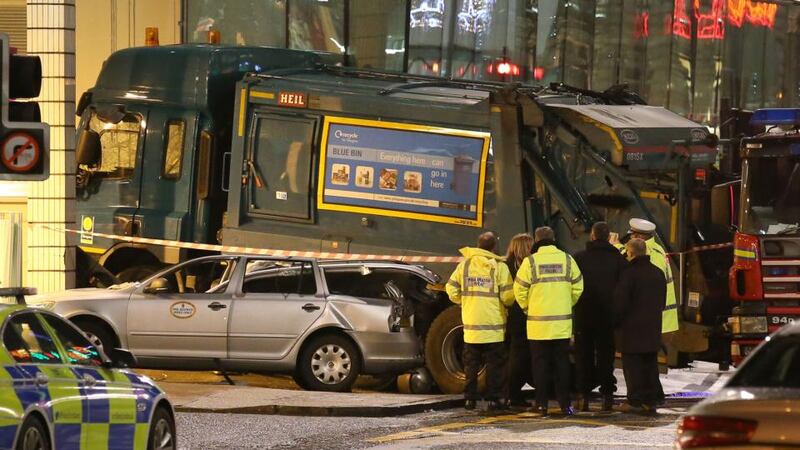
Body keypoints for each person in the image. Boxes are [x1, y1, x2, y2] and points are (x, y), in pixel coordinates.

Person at [514, 227, 583, 416]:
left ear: (536, 240)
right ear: (553, 239)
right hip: (561, 326)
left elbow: (518, 290)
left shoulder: (530, 262)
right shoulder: (567, 260)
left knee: (540, 367)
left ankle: (542, 404)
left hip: (538, 327)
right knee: (562, 365)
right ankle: (565, 405)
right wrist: (566, 304)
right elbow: (578, 287)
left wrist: (529, 308)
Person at [446, 231, 515, 411]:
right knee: (495, 366)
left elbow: (451, 290)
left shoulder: (465, 266)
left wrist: (466, 301)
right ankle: (495, 400)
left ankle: (470, 399)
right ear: (494, 247)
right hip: (493, 327)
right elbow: (508, 297)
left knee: (471, 365)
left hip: (471, 327)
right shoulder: (499, 267)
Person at [573, 222, 627, 412]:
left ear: (593, 236)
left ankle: (583, 396)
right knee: (606, 356)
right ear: (608, 237)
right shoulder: (618, 260)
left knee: (583, 356)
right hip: (608, 316)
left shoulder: (580, 258)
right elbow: (624, 289)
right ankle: (607, 395)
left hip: (584, 315)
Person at [614, 238, 666, 414]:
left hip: (632, 330)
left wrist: (616, 322)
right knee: (650, 364)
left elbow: (620, 303)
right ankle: (653, 399)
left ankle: (635, 400)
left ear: (630, 253)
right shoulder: (658, 273)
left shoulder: (629, 274)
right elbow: (662, 302)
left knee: (633, 367)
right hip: (652, 328)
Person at [504, 233, 535, 408]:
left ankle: (509, 393)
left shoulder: (505, 266)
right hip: (523, 316)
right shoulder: (529, 266)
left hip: (509, 315)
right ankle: (513, 395)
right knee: (521, 357)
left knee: (514, 355)